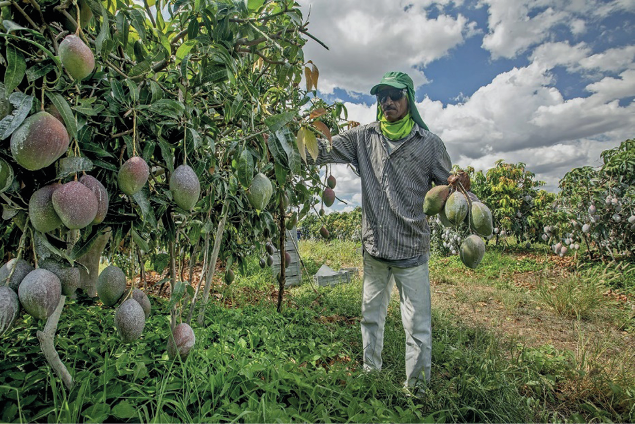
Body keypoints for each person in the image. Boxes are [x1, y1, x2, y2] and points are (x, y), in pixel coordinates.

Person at [311, 71, 453, 395]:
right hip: (375, 249)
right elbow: (324, 149)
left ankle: (416, 391)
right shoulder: (363, 137)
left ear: (409, 98)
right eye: (381, 96)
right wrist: (283, 144)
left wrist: (459, 188)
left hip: (411, 251)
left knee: (417, 328)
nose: (387, 101)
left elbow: (449, 192)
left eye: (394, 95)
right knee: (370, 317)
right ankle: (369, 373)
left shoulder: (430, 145)